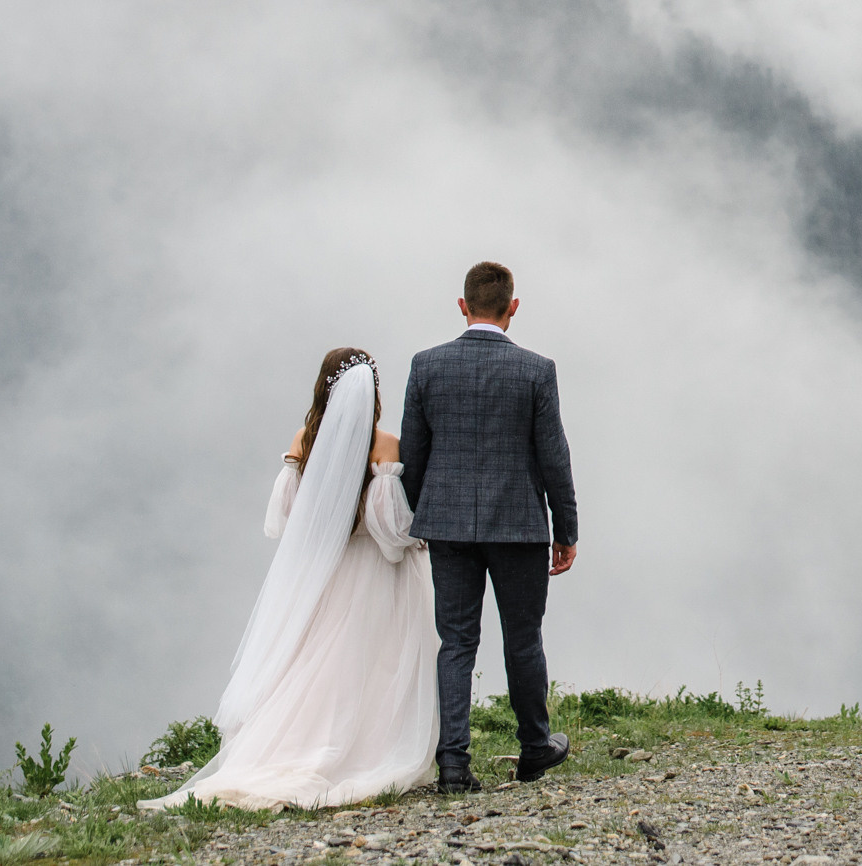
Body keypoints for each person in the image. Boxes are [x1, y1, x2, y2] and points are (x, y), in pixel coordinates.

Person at [143, 349, 438, 811]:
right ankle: (366, 747)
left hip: (326, 570)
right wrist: (414, 540)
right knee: (371, 661)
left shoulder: (305, 439)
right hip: (375, 573)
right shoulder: (384, 445)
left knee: (320, 662)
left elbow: (287, 519)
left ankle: (297, 745)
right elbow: (388, 528)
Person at [403, 260, 579, 792]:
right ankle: (533, 749)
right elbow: (554, 457)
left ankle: (453, 764)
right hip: (520, 526)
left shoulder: (426, 365)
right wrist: (565, 530)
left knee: (455, 642)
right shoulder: (536, 369)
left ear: (463, 306)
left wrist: (424, 515)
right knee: (522, 640)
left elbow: (414, 454)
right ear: (513, 308)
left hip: (448, 527)